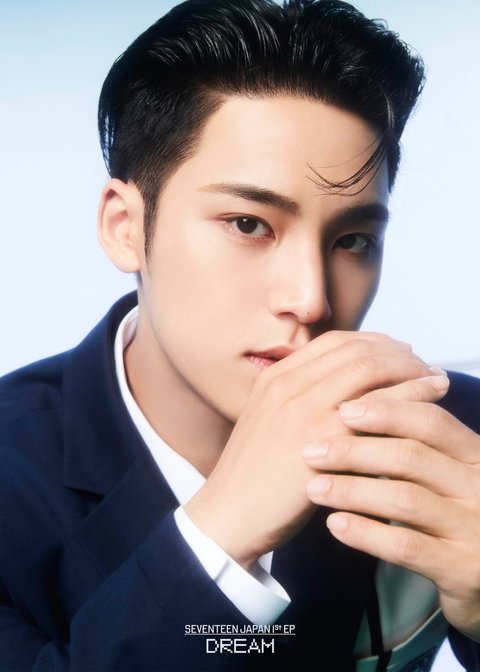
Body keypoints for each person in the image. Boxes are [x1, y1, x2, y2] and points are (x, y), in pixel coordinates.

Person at [1, 0, 479, 670]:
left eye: (352, 240)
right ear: (125, 227)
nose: (311, 299)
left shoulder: (456, 433)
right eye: (249, 225)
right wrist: (215, 541)